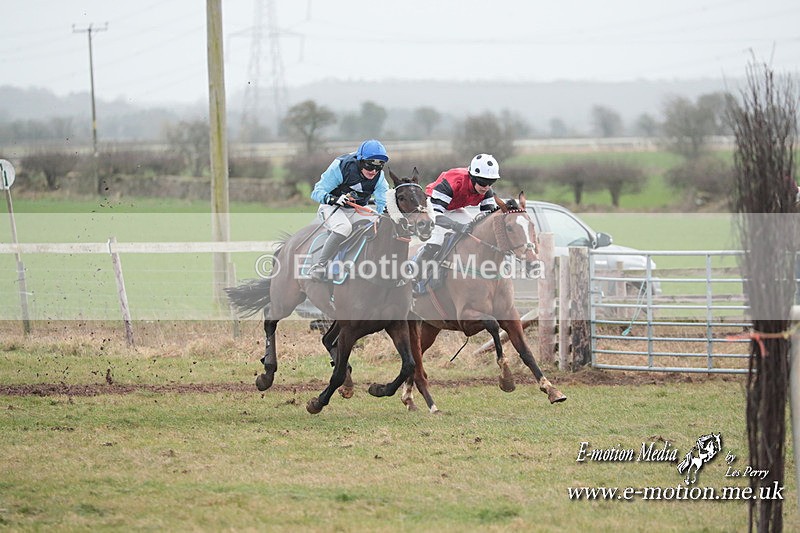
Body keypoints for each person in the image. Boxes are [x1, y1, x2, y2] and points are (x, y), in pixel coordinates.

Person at [307, 139, 390, 280]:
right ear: (360, 161)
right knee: (343, 228)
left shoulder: (379, 178)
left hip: (357, 209)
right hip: (332, 207)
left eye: (379, 167)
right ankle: (320, 265)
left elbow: (383, 202)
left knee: (377, 226)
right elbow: (317, 192)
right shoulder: (341, 166)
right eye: (369, 166)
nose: (374, 171)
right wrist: (333, 199)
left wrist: (383, 215)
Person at [416, 153, 501, 265]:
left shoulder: (487, 190)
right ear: (472, 177)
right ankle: (414, 272)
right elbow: (435, 214)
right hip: (431, 207)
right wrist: (456, 225)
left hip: (453, 208)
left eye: (491, 182)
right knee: (437, 240)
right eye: (483, 182)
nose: (486, 187)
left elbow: (489, 219)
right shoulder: (453, 182)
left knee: (474, 231)